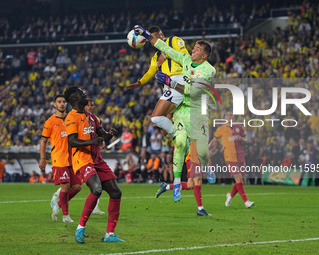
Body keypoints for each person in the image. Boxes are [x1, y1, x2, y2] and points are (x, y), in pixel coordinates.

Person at [134, 24, 216, 201]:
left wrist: (170, 83)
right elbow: (164, 48)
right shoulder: (185, 60)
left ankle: (207, 165)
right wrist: (147, 35)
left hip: (196, 109)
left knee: (201, 148)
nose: (191, 50)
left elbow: (193, 91)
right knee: (179, 144)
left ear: (204, 55)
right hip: (181, 110)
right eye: (193, 48)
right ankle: (176, 184)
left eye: (196, 49)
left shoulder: (209, 70)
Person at [64, 86, 124, 243]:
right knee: (96, 189)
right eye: (81, 93)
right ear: (74, 99)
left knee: (116, 192)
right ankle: (80, 228)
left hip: (97, 159)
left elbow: (101, 135)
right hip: (82, 159)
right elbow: (72, 141)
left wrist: (109, 135)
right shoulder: (71, 117)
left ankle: (109, 235)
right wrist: (92, 141)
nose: (85, 94)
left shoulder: (92, 117)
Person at [128, 26, 189, 138]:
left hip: (178, 80)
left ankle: (180, 135)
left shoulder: (174, 40)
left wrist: (166, 54)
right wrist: (140, 82)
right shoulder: (156, 56)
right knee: (165, 132)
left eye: (155, 37)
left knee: (157, 118)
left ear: (162, 35)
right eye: (151, 39)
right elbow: (151, 71)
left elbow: (186, 57)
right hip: (167, 87)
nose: (153, 41)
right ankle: (183, 141)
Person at [39, 94, 82, 222]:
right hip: (59, 159)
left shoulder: (71, 119)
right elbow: (43, 141)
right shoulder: (50, 122)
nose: (62, 104)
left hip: (73, 159)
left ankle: (58, 204)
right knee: (65, 186)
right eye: (59, 102)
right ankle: (66, 216)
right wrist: (42, 158)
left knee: (77, 187)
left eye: (64, 102)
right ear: (55, 105)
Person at [209, 109, 254, 208]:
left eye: (232, 115)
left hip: (240, 157)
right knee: (238, 179)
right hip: (230, 157)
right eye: (228, 115)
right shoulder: (221, 129)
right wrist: (207, 148)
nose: (230, 116)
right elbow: (214, 141)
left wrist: (241, 139)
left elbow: (246, 140)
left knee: (241, 180)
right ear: (225, 118)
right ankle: (246, 201)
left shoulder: (239, 128)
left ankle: (230, 195)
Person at [157, 141, 212, 216]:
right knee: (198, 181)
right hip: (192, 157)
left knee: (190, 185)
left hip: (195, 158)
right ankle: (200, 209)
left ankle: (166, 186)